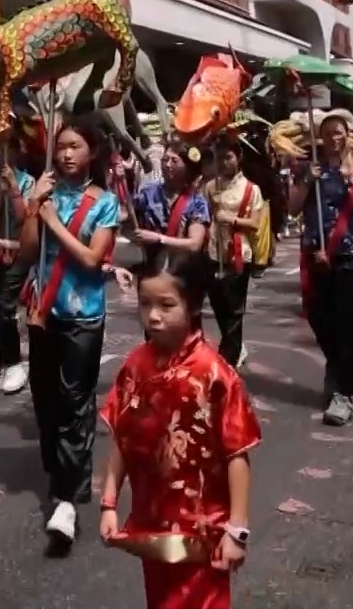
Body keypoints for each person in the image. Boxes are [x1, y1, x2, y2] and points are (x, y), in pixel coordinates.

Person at [98, 245, 260, 609]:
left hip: (205, 534)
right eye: (145, 304)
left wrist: (237, 529)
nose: (153, 316)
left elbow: (237, 453)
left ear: (193, 305)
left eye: (166, 305)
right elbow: (122, 438)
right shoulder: (136, 366)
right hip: (153, 526)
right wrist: (109, 502)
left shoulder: (215, 375)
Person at [20, 116, 123, 549]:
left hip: (83, 314)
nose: (66, 154)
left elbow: (89, 258)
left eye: (75, 146)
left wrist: (53, 221)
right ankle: (57, 472)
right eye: (61, 146)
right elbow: (27, 251)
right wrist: (32, 209)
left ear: (92, 152)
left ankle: (68, 497)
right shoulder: (42, 192)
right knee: (43, 399)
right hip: (44, 312)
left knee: (74, 402)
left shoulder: (105, 202)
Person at [288, 112, 353, 427]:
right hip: (316, 253)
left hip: (349, 254)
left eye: (339, 132)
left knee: (349, 324)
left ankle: (345, 393)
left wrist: (352, 179)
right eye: (328, 133)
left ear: (348, 135)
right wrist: (307, 181)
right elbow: (291, 208)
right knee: (317, 314)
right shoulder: (308, 169)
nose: (334, 138)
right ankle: (336, 362)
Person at [0, 141, 37, 395]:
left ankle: (16, 364)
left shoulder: (29, 182)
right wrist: (0, 194)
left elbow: (25, 218)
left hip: (19, 251)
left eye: (7, 148)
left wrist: (14, 189)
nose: (2, 154)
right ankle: (5, 365)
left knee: (7, 305)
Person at [204, 138, 263, 367]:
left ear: (238, 158)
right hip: (213, 252)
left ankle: (227, 360)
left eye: (228, 157)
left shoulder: (251, 189)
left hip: (239, 253)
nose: (224, 163)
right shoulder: (211, 187)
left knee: (234, 312)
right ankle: (234, 346)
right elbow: (205, 216)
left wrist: (230, 218)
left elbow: (255, 224)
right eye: (219, 159)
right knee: (219, 307)